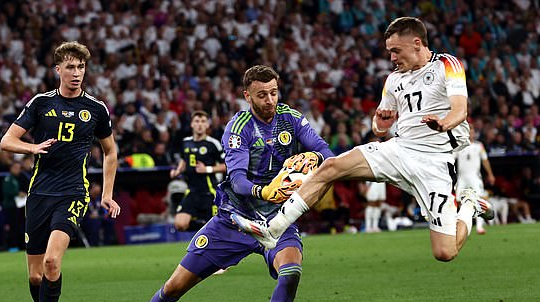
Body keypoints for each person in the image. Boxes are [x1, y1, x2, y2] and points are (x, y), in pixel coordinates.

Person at [96, 65, 334, 302]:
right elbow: (236, 180)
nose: (270, 100)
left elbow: (325, 152)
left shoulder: (291, 118)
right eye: (262, 95)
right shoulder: (239, 127)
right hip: (232, 220)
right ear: (247, 95)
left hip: (277, 220)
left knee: (291, 272)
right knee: (175, 286)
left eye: (274, 92)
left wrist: (314, 161)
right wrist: (265, 189)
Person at [232, 17, 494, 263]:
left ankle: (469, 206)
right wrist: (380, 122)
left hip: (435, 162)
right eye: (389, 51)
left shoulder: (448, 65)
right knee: (332, 167)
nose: (391, 57)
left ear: (417, 43)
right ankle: (274, 228)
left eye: (395, 50)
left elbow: (460, 110)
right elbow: (379, 128)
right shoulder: (393, 80)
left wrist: (443, 123)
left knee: (444, 252)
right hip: (399, 150)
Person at [0, 41, 121, 302]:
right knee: (36, 276)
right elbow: (7, 141)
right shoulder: (41, 104)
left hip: (73, 193)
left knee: (53, 262)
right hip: (39, 194)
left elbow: (111, 152)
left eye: (81, 67)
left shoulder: (96, 109)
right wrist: (32, 148)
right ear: (58, 70)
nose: (76, 73)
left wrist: (106, 194)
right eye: (70, 67)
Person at [169, 110, 226, 231]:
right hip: (192, 192)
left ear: (207, 125)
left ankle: (207, 227)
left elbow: (226, 166)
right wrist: (177, 171)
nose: (200, 124)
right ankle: (204, 224)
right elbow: (185, 160)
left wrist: (207, 169)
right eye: (197, 121)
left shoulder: (213, 144)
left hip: (209, 192)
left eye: (203, 121)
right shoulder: (186, 142)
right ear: (192, 124)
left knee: (217, 230)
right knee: (180, 224)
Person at [454, 124, 495, 234]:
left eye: (472, 131)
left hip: (475, 177)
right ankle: (459, 225)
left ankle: (479, 227)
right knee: (458, 202)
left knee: (479, 201)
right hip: (461, 178)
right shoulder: (459, 145)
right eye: (468, 131)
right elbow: (452, 160)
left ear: (474, 133)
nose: (470, 133)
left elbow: (485, 160)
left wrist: (490, 174)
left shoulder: (479, 146)